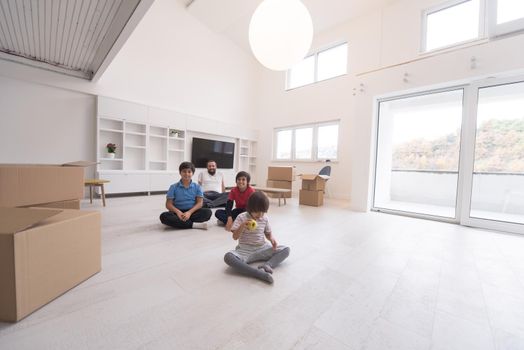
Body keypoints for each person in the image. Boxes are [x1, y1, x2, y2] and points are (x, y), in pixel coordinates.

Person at [223, 191, 290, 284]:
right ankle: (257, 273)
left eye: (263, 212)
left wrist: (272, 239)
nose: (260, 215)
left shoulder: (264, 218)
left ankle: (267, 265)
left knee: (286, 250)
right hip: (245, 250)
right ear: (250, 208)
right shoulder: (241, 217)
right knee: (228, 257)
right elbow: (235, 237)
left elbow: (268, 233)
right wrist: (242, 225)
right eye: (257, 212)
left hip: (262, 248)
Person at [159, 161, 212, 230]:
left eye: (189, 172)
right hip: (177, 212)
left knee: (207, 212)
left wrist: (189, 213)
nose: (186, 174)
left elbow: (200, 203)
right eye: (184, 171)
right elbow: (168, 204)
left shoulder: (197, 187)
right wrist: (178, 212)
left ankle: (183, 223)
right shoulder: (173, 187)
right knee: (164, 216)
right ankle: (193, 224)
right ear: (180, 173)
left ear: (192, 173)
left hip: (192, 211)